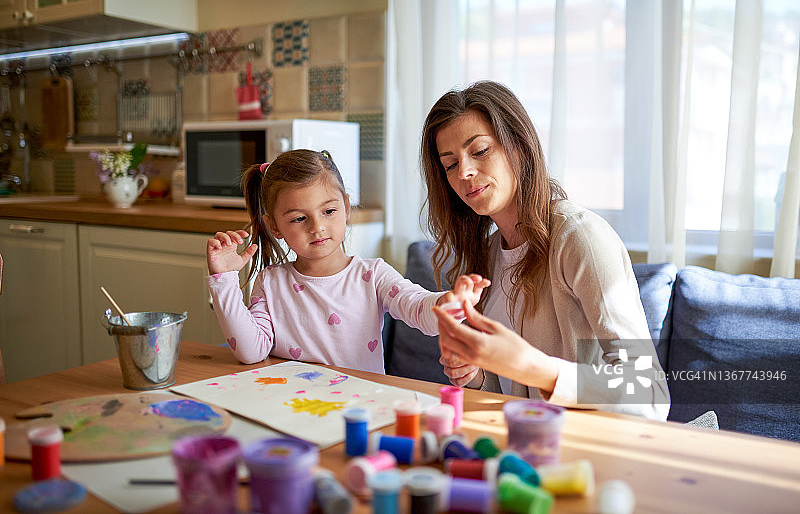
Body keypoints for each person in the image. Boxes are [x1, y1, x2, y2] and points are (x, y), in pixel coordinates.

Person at [421, 81, 670, 420]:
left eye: (479, 151)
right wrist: (476, 374)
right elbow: (514, 399)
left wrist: (537, 368)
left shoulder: (581, 238)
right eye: (450, 164)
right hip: (528, 438)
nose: (464, 172)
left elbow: (650, 393)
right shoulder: (488, 255)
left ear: (520, 148)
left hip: (590, 442)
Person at [205, 149, 489, 374]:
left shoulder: (373, 275)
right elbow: (251, 352)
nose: (317, 227)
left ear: (346, 207)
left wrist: (450, 303)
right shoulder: (270, 282)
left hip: (360, 409)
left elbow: (417, 307)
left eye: (328, 211)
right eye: (299, 218)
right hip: (294, 409)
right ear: (274, 226)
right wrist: (225, 281)